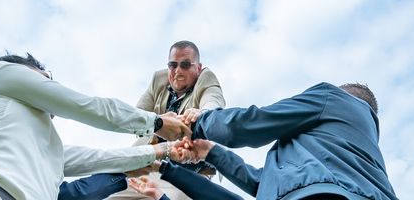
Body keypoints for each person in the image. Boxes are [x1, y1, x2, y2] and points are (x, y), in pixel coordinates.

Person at [0, 53, 190, 200]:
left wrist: (159, 152)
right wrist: (155, 123)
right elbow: (83, 105)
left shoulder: (43, 146)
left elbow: (97, 158)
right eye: (47, 80)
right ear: (31, 73)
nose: (51, 87)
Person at [162, 82, 398, 200]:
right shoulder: (362, 157)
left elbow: (252, 123)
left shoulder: (332, 97)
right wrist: (210, 152)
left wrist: (200, 122)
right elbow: (265, 182)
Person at [108, 41, 226, 200]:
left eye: (185, 65)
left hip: (188, 174)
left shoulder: (206, 78)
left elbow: (213, 101)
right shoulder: (158, 79)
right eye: (173, 65)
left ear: (198, 68)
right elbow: (136, 116)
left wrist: (203, 113)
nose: (178, 71)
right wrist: (159, 123)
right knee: (111, 195)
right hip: (148, 166)